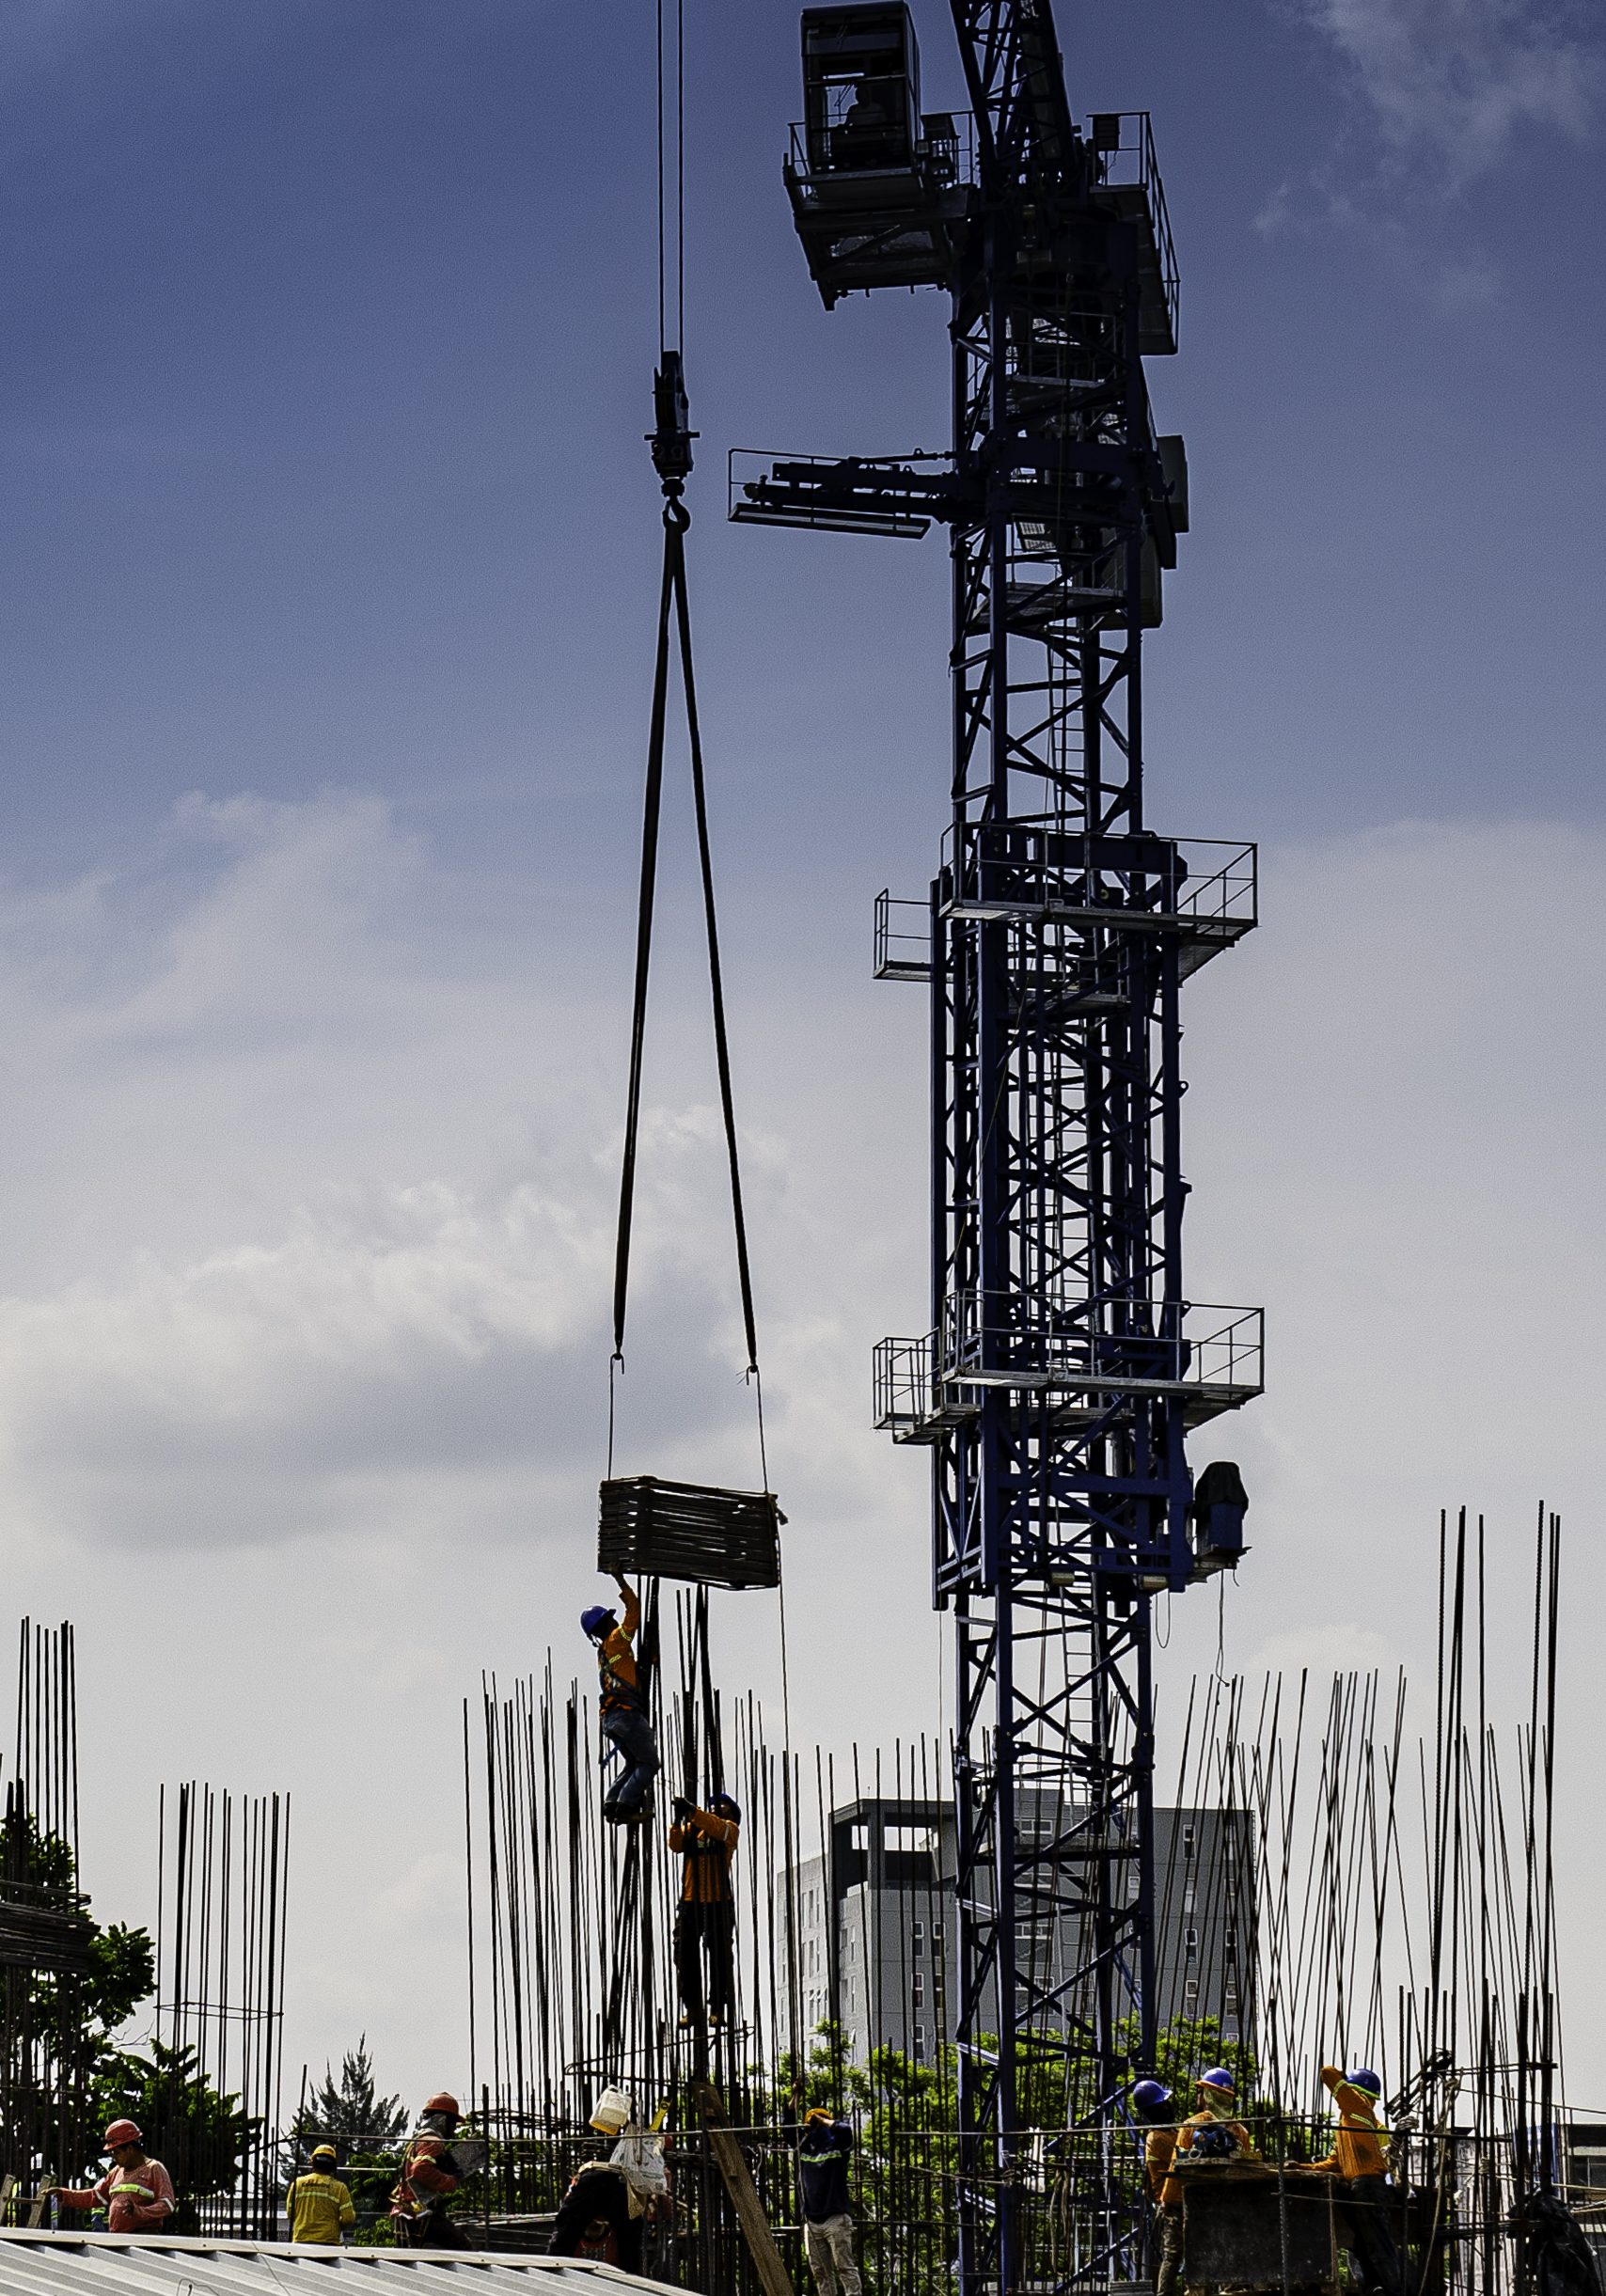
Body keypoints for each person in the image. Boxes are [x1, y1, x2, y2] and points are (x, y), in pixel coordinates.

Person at [1306, 2065, 1403, 2296]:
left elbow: (1327, 2072)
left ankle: (1393, 2291)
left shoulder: (1356, 2105)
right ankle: (1374, 2288)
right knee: (1362, 2246)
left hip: (1369, 2186)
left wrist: (1343, 2079)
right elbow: (1333, 2163)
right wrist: (1301, 2167)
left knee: (1379, 2245)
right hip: (1360, 2188)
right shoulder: (1350, 2124)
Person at [582, 1578, 660, 1824]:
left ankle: (611, 1802)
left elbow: (626, 1675)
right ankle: (625, 1805)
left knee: (633, 1763)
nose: (616, 1621)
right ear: (606, 1623)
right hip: (627, 1715)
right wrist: (620, 1580)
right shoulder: (617, 1639)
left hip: (610, 1719)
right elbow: (634, 1611)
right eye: (610, 1619)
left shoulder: (604, 1652)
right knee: (649, 1763)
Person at [669, 1791, 740, 2027]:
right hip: (691, 1900)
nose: (716, 1807)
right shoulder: (693, 1828)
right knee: (684, 1953)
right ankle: (692, 2007)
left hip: (718, 1900)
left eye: (722, 1805)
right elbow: (676, 1845)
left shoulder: (729, 1829)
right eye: (713, 1805)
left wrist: (693, 1812)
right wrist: (679, 1820)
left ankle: (717, 2006)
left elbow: (717, 1828)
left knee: (718, 1952)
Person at [55, 2120, 176, 2233]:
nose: (114, 2158)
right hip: (118, 2238)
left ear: (129, 2149)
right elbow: (95, 2197)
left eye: (117, 2153)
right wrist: (65, 2195)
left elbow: (167, 2205)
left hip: (144, 2239)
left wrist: (139, 2212)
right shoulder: (116, 2172)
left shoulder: (154, 2169)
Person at [391, 2092, 468, 2249]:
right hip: (418, 2214)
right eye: (453, 2124)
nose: (453, 2130)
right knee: (463, 2247)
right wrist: (450, 2181)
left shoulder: (419, 2140)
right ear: (442, 2120)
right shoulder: (433, 2142)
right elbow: (420, 2170)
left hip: (407, 2212)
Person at [797, 2107, 861, 2296]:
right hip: (812, 2221)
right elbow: (788, 2129)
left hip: (835, 2217)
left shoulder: (837, 2146)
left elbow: (845, 2130)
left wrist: (823, 2120)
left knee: (845, 2267)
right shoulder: (805, 2147)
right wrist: (795, 2098)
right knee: (821, 2272)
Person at [549, 2152, 644, 2276]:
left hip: (598, 2177)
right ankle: (631, 2275)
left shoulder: (580, 2198)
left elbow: (565, 2227)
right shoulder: (586, 2205)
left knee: (564, 2237)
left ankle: (553, 2270)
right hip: (618, 2180)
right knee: (630, 2244)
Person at [1132, 2079, 1183, 2296]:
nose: (1169, 2106)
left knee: (1193, 2252)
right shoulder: (1157, 2137)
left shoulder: (1170, 2131)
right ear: (1155, 2109)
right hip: (1172, 2204)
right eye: (1164, 2103)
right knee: (1172, 2255)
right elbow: (1182, 2152)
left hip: (1183, 2200)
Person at [287, 2145, 356, 2245]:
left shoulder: (297, 2184)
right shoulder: (339, 2188)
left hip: (301, 2242)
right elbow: (348, 2218)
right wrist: (337, 2226)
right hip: (329, 2243)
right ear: (333, 2166)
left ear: (312, 2163)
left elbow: (290, 2214)